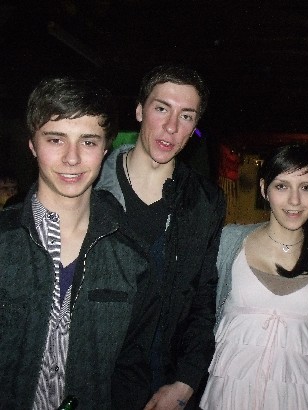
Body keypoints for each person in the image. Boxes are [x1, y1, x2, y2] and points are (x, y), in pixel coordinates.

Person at [0, 77, 159, 409]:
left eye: (88, 141)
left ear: (105, 149)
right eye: (56, 139)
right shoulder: (4, 243)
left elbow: (132, 369)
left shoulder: (132, 255)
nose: (71, 158)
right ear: (32, 145)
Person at [96, 63, 226, 409]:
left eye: (186, 116)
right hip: (93, 381)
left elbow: (203, 298)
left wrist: (186, 381)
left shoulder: (205, 202)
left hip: (162, 384)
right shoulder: (90, 187)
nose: (171, 126)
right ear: (140, 110)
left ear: (194, 127)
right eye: (161, 108)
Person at [199, 145, 308, 409]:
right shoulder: (230, 241)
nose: (295, 200)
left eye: (306, 187)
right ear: (264, 189)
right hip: (230, 395)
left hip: (299, 398)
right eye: (282, 186)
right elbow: (200, 313)